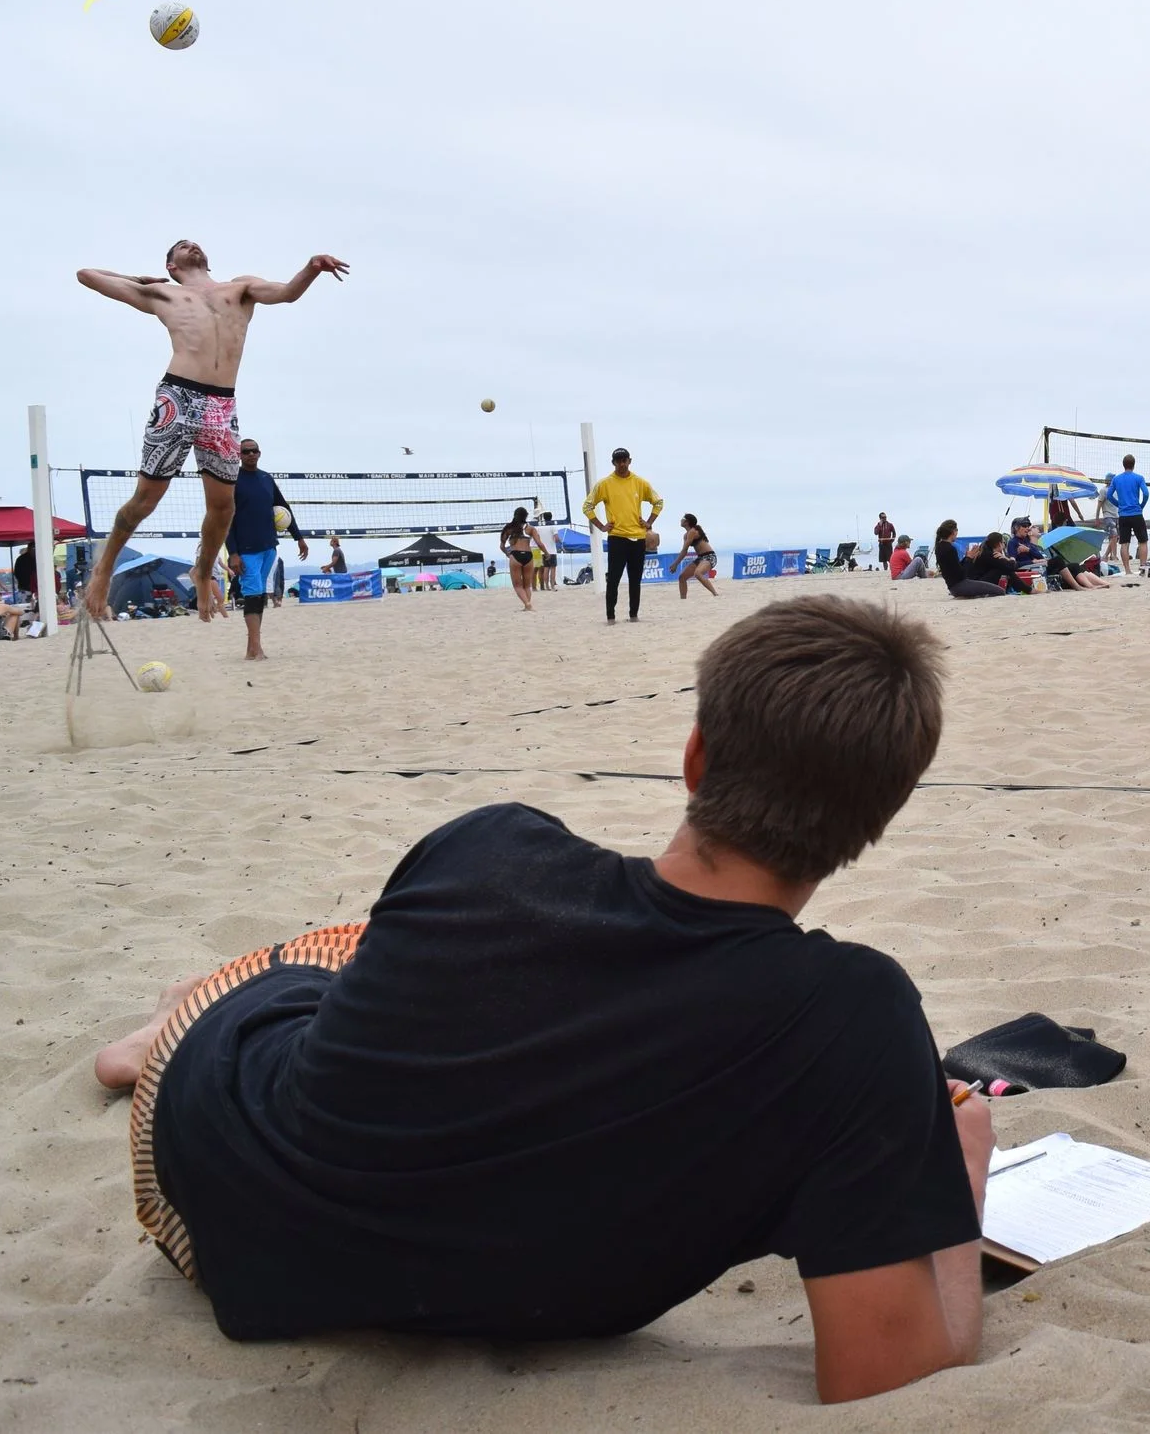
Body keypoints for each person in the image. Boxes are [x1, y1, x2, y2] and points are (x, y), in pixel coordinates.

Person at [92, 598, 993, 1403]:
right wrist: (957, 1178)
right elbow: (890, 1380)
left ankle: (192, 1004)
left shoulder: (488, 849)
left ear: (696, 757)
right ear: (879, 817)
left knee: (347, 951)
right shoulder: (858, 1018)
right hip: (331, 1250)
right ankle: (178, 1013)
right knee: (333, 962)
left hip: (208, 1184)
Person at [75, 240, 349, 621]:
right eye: (180, 246)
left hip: (221, 405)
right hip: (178, 397)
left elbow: (286, 294)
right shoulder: (163, 294)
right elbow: (86, 275)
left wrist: (311, 268)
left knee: (223, 506)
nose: (191, 244)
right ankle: (103, 570)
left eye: (195, 242)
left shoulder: (239, 288)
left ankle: (203, 571)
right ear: (171, 265)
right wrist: (140, 279)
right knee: (146, 499)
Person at [222, 439, 309, 662]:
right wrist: (232, 552)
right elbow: (226, 520)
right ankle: (255, 649)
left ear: (259, 453)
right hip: (246, 550)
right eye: (246, 451)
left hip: (269, 547)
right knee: (252, 596)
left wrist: (298, 538)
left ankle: (252, 648)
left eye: (254, 451)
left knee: (258, 596)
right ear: (239, 455)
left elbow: (284, 509)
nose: (251, 454)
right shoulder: (233, 481)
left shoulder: (266, 478)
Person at [582, 447, 663, 624]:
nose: (621, 464)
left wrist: (649, 522)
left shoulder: (640, 483)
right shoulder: (605, 484)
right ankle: (611, 617)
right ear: (613, 463)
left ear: (629, 461)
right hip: (617, 537)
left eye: (624, 460)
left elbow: (658, 502)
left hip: (638, 537)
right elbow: (587, 506)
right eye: (618, 461)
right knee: (614, 579)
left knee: (635, 580)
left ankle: (633, 615)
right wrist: (601, 526)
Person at [932, 521, 1006, 600]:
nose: (957, 533)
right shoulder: (950, 549)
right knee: (1000, 591)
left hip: (953, 587)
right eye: (956, 530)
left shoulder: (939, 547)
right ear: (953, 532)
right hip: (959, 586)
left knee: (989, 588)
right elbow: (962, 574)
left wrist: (966, 557)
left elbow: (954, 568)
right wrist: (969, 558)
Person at [1111, 455, 1150, 570]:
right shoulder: (1139, 478)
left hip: (1123, 515)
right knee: (1143, 541)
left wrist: (1119, 504)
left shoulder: (1116, 479)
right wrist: (1141, 505)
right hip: (1136, 513)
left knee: (1124, 543)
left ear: (1123, 465)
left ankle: (1128, 571)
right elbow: (1146, 494)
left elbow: (1109, 495)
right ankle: (1143, 567)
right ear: (1134, 464)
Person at [500, 508, 540, 612]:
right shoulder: (531, 528)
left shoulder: (509, 528)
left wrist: (508, 554)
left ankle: (527, 604)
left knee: (517, 585)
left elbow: (502, 546)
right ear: (526, 516)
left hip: (516, 555)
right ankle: (528, 605)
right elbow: (539, 543)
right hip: (528, 555)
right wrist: (547, 553)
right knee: (527, 585)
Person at [675, 513, 720, 599]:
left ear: (687, 522)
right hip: (700, 558)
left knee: (698, 573)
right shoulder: (686, 535)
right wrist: (675, 564)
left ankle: (715, 594)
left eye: (682, 518)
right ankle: (683, 600)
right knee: (682, 577)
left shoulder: (692, 531)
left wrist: (675, 564)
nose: (680, 520)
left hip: (709, 557)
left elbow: (684, 550)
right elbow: (684, 552)